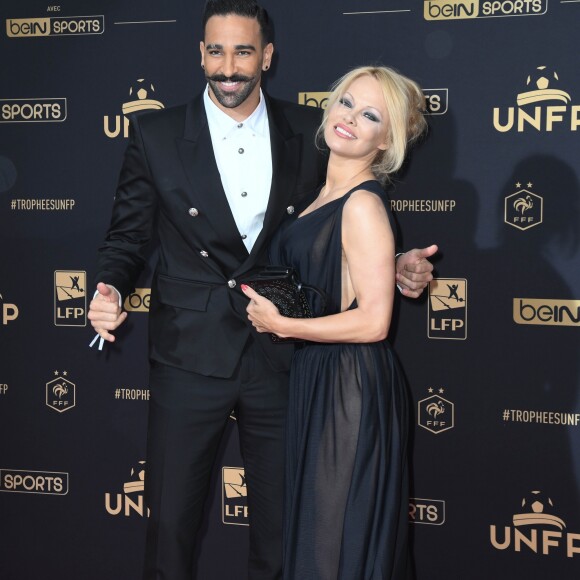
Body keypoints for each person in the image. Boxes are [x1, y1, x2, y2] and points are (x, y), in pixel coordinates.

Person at [88, 1, 436, 578]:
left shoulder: (311, 129)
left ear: (266, 57)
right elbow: (127, 236)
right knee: (171, 526)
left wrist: (393, 263)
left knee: (284, 531)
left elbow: (339, 220)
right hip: (189, 353)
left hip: (284, 360)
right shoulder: (156, 133)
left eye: (243, 51)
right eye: (216, 50)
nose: (228, 66)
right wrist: (108, 286)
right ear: (201, 53)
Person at [242, 65, 427, 579]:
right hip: (320, 378)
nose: (349, 118)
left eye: (370, 115)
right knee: (321, 542)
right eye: (346, 102)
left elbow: (373, 322)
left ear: (386, 140)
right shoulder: (319, 196)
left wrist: (284, 325)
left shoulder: (363, 203)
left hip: (351, 384)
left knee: (334, 549)